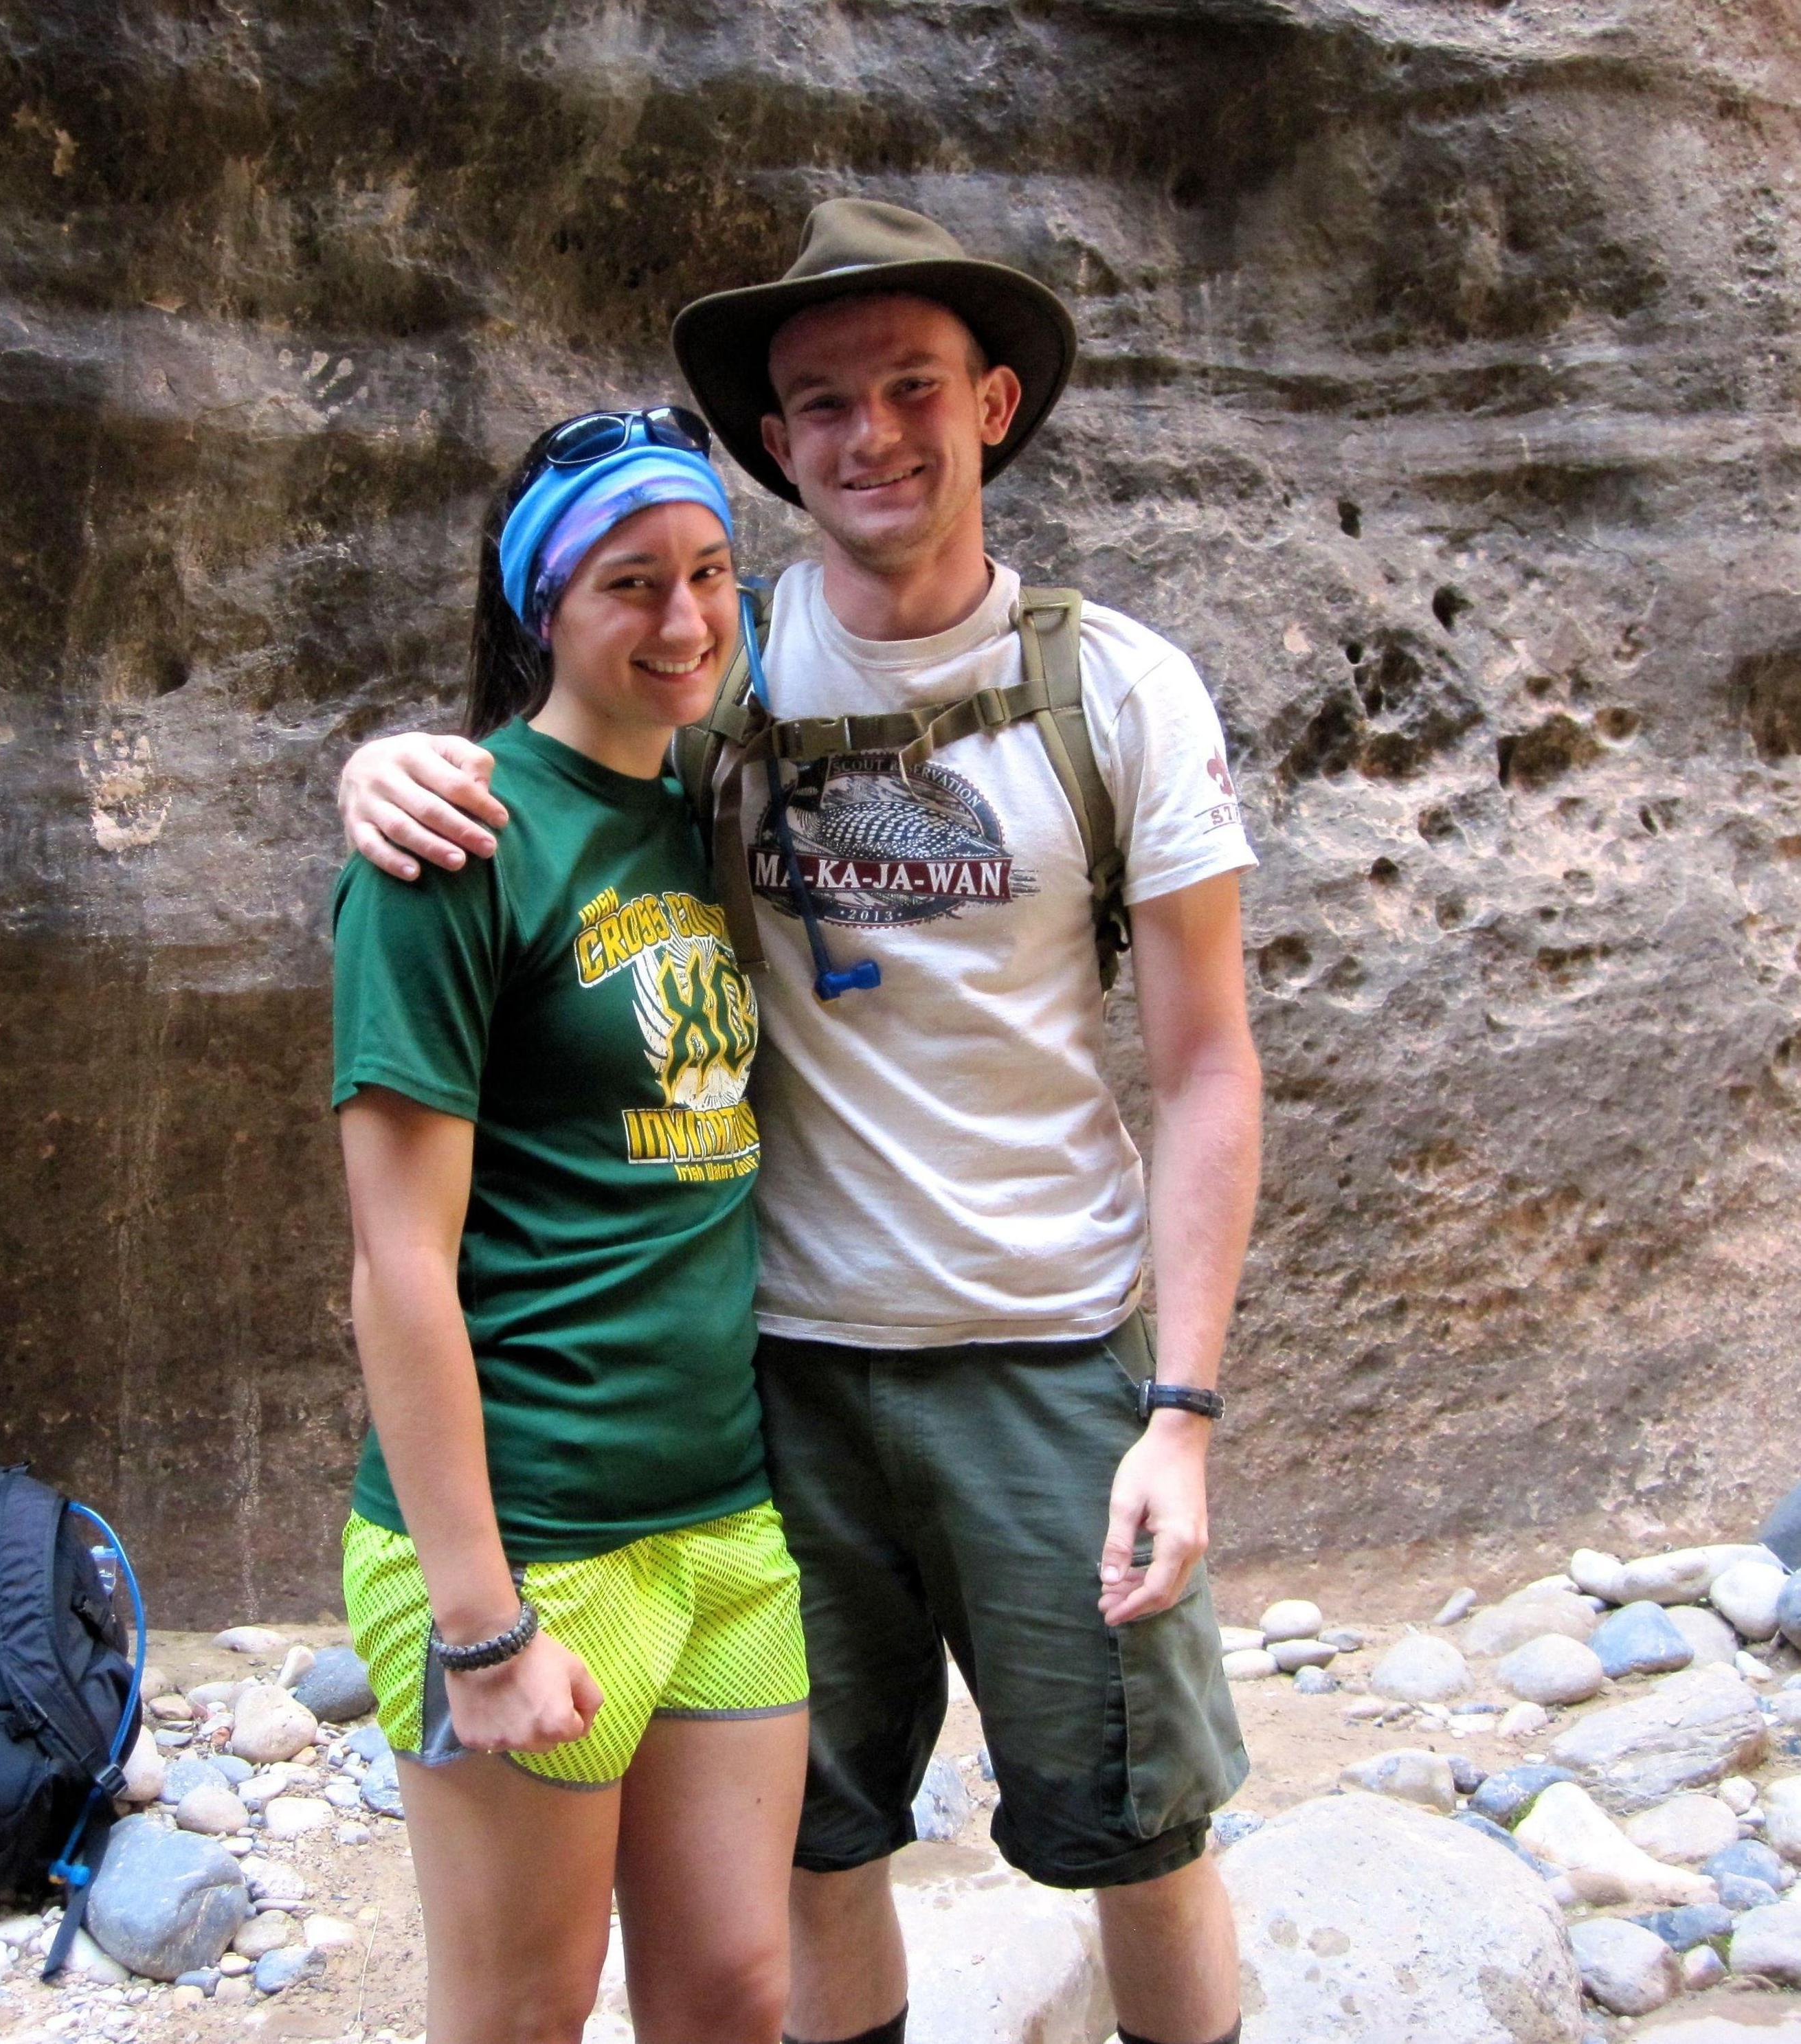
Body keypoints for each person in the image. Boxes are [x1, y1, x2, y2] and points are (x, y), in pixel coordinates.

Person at [338, 200, 1260, 2044]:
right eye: (820, 403)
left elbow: (1208, 1066)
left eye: (912, 386)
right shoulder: (727, 675)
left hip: (1044, 1361)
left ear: (993, 403)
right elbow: (542, 756)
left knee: (1139, 1823)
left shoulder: (1123, 691)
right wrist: (375, 763)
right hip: (777, 1391)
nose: (869, 436)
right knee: (820, 1851)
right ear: (778, 445)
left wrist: (1182, 1412)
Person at [331, 407, 810, 2044]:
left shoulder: (708, 804)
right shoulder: (453, 844)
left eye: (707, 576)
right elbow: (395, 1264)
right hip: (527, 1531)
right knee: (523, 2015)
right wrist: (480, 1629)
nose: (682, 621)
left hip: (724, 1524)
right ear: (546, 606)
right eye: (629, 584)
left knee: (740, 1991)